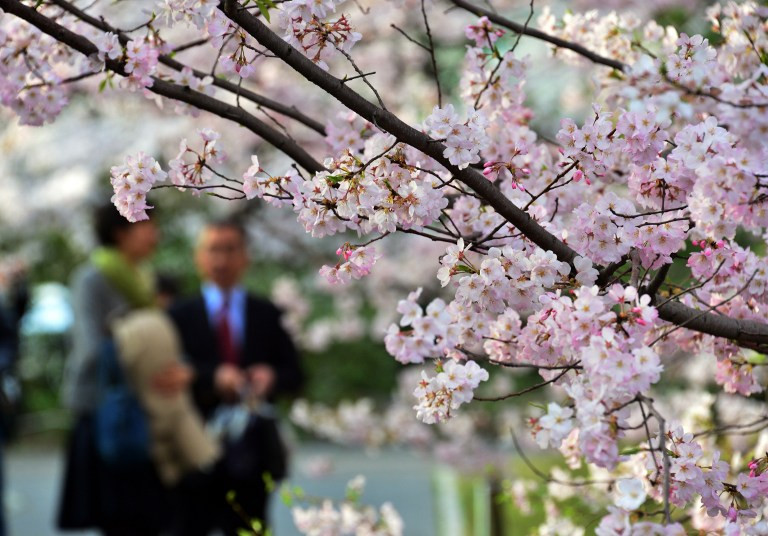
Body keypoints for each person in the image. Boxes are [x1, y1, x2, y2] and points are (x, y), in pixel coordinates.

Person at [169, 217, 303, 535]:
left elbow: (294, 373)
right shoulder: (178, 315)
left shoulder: (267, 313)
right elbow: (171, 371)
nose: (221, 260)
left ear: (246, 256)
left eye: (230, 250)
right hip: (194, 442)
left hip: (253, 450)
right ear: (198, 257)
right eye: (213, 250)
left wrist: (270, 376)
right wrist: (212, 377)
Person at [57, 204, 169, 535]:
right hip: (107, 411)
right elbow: (90, 348)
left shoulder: (141, 278)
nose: (155, 235)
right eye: (148, 227)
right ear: (121, 232)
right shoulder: (91, 279)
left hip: (143, 407)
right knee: (119, 519)